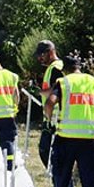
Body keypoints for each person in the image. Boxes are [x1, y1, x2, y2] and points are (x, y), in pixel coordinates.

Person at [46, 53, 94, 187]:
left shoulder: (64, 82)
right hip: (91, 137)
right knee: (89, 173)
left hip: (67, 136)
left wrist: (49, 121)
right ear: (80, 67)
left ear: (64, 69)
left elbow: (50, 102)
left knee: (62, 170)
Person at [32, 39, 63, 168]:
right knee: (46, 152)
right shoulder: (51, 68)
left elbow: (58, 89)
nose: (40, 58)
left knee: (48, 152)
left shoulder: (57, 67)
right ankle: (57, 183)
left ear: (50, 52)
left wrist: (41, 92)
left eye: (42, 55)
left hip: (55, 118)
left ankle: (59, 183)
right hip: (50, 117)